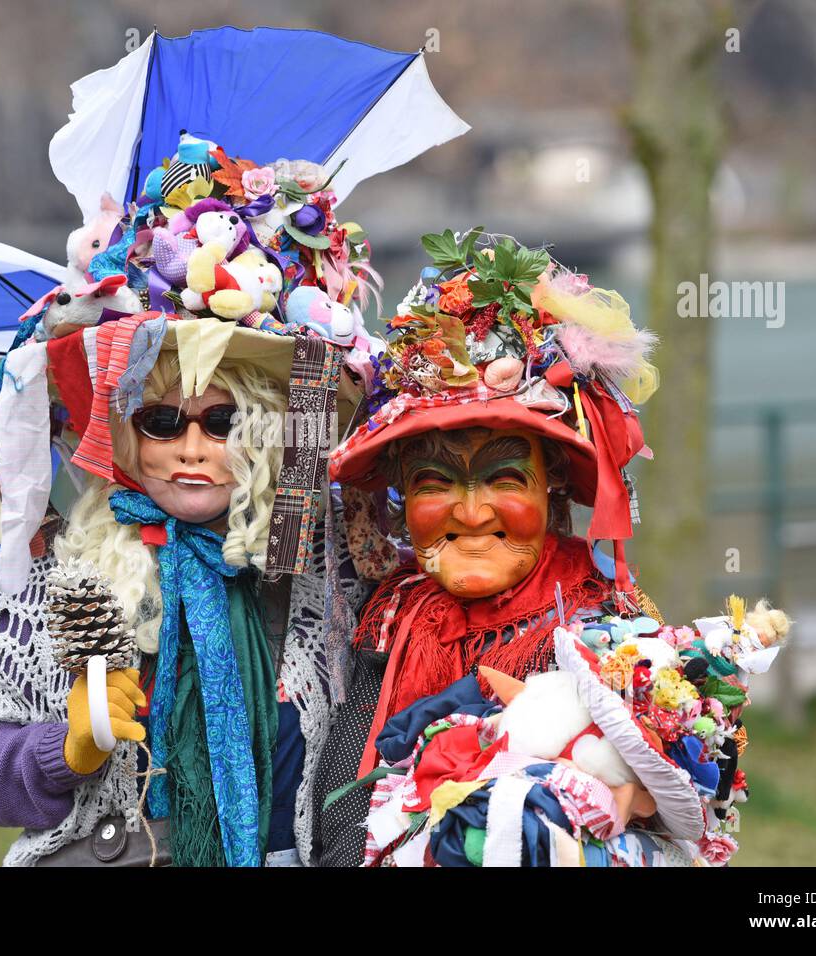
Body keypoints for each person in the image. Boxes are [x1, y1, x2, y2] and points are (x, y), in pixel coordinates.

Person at [0, 133, 376, 866]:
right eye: (164, 420)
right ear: (125, 434)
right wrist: (65, 749)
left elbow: (361, 763)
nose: (193, 448)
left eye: (226, 420)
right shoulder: (53, 579)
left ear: (270, 434)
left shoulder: (320, 579)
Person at [314, 228, 784, 866]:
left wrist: (626, 797)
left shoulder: (601, 624)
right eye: (434, 482)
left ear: (553, 483)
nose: (471, 512)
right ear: (399, 490)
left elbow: (674, 797)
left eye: (505, 479)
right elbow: (346, 802)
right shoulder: (390, 618)